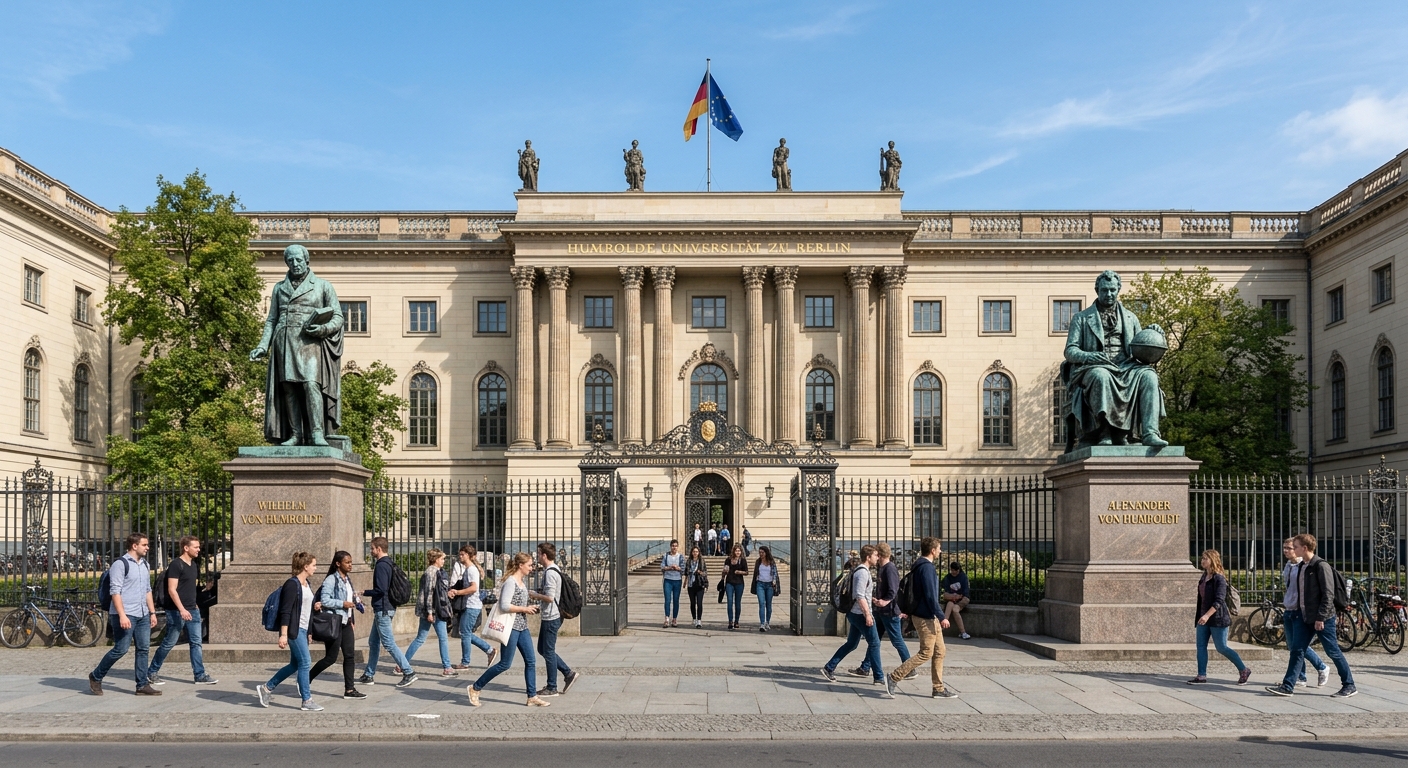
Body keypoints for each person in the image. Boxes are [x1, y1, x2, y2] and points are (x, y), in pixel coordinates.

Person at [1266, 534, 1356, 698]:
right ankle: (1288, 686)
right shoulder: (1302, 566)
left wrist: (1321, 618)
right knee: (1297, 650)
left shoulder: (1320, 566)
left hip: (1323, 618)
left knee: (1333, 651)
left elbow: (1328, 595)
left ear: (1304, 548)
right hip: (1304, 616)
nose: (1293, 549)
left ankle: (1349, 685)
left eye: (1296, 547)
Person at [467, 552, 549, 707]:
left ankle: (532, 696)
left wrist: (531, 607)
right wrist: (525, 609)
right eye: (530, 565)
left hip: (522, 626)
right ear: (520, 565)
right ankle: (475, 687)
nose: (532, 568)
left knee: (531, 661)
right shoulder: (511, 582)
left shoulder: (522, 582)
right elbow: (504, 605)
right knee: (505, 664)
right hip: (511, 628)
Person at [89, 533, 160, 696]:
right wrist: (122, 615)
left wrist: (152, 612)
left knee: (143, 648)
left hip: (142, 613)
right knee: (121, 649)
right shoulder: (120, 564)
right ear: (134, 546)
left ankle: (142, 684)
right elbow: (115, 591)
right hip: (125, 613)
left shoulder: (145, 565)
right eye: (144, 545)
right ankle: (96, 676)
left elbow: (148, 590)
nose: (147, 547)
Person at [820, 545, 893, 698]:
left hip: (857, 612)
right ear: (868, 557)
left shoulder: (863, 571)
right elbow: (859, 595)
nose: (877, 557)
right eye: (875, 555)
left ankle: (829, 667)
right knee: (874, 643)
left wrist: (870, 601)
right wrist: (867, 614)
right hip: (860, 614)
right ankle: (879, 677)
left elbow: (862, 595)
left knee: (852, 643)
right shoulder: (862, 573)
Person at [889, 537, 956, 698]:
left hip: (927, 615)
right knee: (926, 652)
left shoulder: (921, 566)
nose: (940, 550)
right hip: (926, 616)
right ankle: (893, 677)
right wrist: (941, 616)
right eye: (939, 548)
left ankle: (938, 688)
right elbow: (930, 595)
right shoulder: (926, 568)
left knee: (940, 651)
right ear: (932, 550)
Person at [257, 551, 324, 711]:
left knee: (295, 664)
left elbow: (305, 610)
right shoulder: (292, 584)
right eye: (314, 565)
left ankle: (267, 688)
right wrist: (284, 634)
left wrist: (309, 630)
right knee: (305, 662)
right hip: (294, 630)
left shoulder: (307, 584)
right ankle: (307, 700)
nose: (316, 568)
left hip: (302, 629)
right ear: (305, 566)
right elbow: (285, 611)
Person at [147, 536, 217, 686]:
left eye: (199, 547)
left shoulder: (193, 565)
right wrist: (182, 609)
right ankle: (152, 671)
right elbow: (172, 590)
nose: (199, 549)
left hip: (193, 609)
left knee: (196, 643)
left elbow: (190, 589)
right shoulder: (176, 565)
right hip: (176, 611)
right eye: (196, 547)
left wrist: (194, 605)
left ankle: (199, 675)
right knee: (169, 642)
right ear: (186, 548)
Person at [358, 537, 416, 688]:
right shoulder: (389, 562)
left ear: (378, 549)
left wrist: (364, 592)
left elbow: (381, 589)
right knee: (373, 642)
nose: (370, 551)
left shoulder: (381, 565)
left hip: (383, 609)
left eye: (372, 548)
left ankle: (408, 672)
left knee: (388, 643)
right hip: (385, 608)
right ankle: (369, 674)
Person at [1188, 549, 1251, 686]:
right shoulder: (1204, 577)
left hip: (1217, 618)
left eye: (1205, 558)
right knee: (1201, 646)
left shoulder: (1219, 578)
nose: (1202, 560)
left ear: (1213, 560)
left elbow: (1219, 600)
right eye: (1202, 558)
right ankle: (1201, 675)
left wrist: (1206, 615)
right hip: (1203, 618)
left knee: (1221, 647)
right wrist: (1201, 615)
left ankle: (1244, 669)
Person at [308, 550, 365, 699]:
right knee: (331, 658)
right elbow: (325, 600)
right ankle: (306, 679)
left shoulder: (347, 580)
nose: (350, 565)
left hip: (346, 622)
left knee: (350, 655)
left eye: (351, 562)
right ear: (338, 564)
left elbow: (350, 602)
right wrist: (342, 604)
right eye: (347, 562)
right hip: (334, 622)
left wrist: (352, 619)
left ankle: (350, 690)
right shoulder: (331, 580)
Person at [1276, 538, 1330, 689]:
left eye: (1289, 548)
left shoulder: (1304, 566)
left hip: (1300, 610)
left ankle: (1321, 667)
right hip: (1289, 608)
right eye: (1284, 548)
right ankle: (1301, 676)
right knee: (1293, 646)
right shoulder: (1288, 565)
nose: (1285, 550)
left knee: (1298, 646)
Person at [853, 542, 911, 679]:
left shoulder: (889, 568)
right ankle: (865, 667)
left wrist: (884, 601)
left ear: (879, 555)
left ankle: (909, 668)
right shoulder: (883, 568)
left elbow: (893, 589)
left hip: (889, 612)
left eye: (876, 554)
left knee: (897, 640)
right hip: (881, 611)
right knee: (874, 640)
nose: (875, 557)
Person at [534, 542, 579, 697]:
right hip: (549, 615)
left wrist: (534, 595)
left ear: (544, 555)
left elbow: (550, 597)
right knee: (543, 649)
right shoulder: (552, 570)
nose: (537, 556)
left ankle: (552, 686)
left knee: (548, 650)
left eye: (538, 554)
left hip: (552, 616)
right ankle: (568, 673)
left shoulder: (550, 573)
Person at [403, 549, 455, 677]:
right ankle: (447, 667)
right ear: (436, 559)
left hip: (431, 610)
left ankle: (402, 664)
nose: (443, 561)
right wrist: (430, 612)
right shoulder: (431, 572)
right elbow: (429, 593)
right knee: (442, 638)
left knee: (420, 638)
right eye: (442, 559)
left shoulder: (436, 571)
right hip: (434, 610)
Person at [448, 545, 496, 671]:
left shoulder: (471, 570)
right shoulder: (469, 569)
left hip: (471, 605)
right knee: (466, 633)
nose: (460, 556)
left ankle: (466, 661)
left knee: (465, 633)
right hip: (469, 605)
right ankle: (489, 650)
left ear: (469, 556)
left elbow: (473, 588)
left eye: (463, 554)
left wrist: (458, 592)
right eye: (460, 554)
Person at [751, 545, 781, 632]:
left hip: (769, 585)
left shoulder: (771, 562)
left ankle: (767, 622)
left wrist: (774, 581)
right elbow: (755, 573)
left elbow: (775, 573)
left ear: (766, 553)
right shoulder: (758, 562)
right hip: (760, 584)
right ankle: (762, 623)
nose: (761, 554)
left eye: (762, 552)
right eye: (759, 552)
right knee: (761, 603)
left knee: (768, 604)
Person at [942, 561, 972, 640]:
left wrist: (957, 596)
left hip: (963, 598)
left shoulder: (963, 577)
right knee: (949, 605)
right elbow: (946, 593)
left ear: (958, 570)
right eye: (952, 570)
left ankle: (963, 632)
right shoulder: (948, 577)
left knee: (955, 609)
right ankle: (943, 625)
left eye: (955, 571)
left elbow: (965, 593)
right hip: (953, 598)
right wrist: (954, 596)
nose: (954, 572)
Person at [723, 544, 749, 630]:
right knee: (729, 602)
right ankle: (730, 621)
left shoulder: (743, 561)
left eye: (739, 551)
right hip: (729, 582)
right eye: (736, 551)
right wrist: (724, 574)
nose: (737, 552)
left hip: (739, 583)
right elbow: (725, 570)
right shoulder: (728, 560)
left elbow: (746, 572)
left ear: (741, 552)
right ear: (733, 551)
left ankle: (736, 621)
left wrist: (739, 572)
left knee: (738, 602)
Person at [661, 539, 685, 628]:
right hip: (668, 580)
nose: (674, 547)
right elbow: (662, 567)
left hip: (677, 580)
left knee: (676, 600)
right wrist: (669, 567)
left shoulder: (680, 557)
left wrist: (678, 568)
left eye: (675, 546)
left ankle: (674, 619)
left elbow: (683, 568)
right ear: (670, 547)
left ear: (677, 547)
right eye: (673, 546)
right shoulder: (666, 556)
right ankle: (667, 618)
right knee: (667, 600)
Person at [685, 545, 708, 628]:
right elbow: (686, 572)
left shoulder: (702, 561)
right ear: (692, 552)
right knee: (692, 603)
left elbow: (705, 573)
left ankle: (699, 620)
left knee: (699, 603)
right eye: (694, 552)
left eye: (697, 552)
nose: (695, 553)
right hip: (691, 585)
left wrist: (700, 573)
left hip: (700, 584)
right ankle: (694, 618)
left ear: (699, 553)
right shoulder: (688, 561)